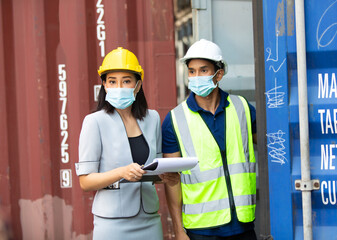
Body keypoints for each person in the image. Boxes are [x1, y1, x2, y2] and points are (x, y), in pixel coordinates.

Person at [75, 47, 177, 240]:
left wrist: (167, 178)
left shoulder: (153, 118)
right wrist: (121, 172)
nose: (119, 87)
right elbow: (85, 182)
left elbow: (153, 171)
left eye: (126, 81)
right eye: (112, 81)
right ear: (104, 85)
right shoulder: (94, 122)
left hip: (149, 221)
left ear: (138, 86)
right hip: (112, 224)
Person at [162, 39, 257, 240]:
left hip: (243, 225)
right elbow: (172, 180)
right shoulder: (175, 119)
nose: (196, 77)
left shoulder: (243, 108)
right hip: (201, 231)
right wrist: (179, 231)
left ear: (219, 74)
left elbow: (272, 147)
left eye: (203, 70)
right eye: (192, 71)